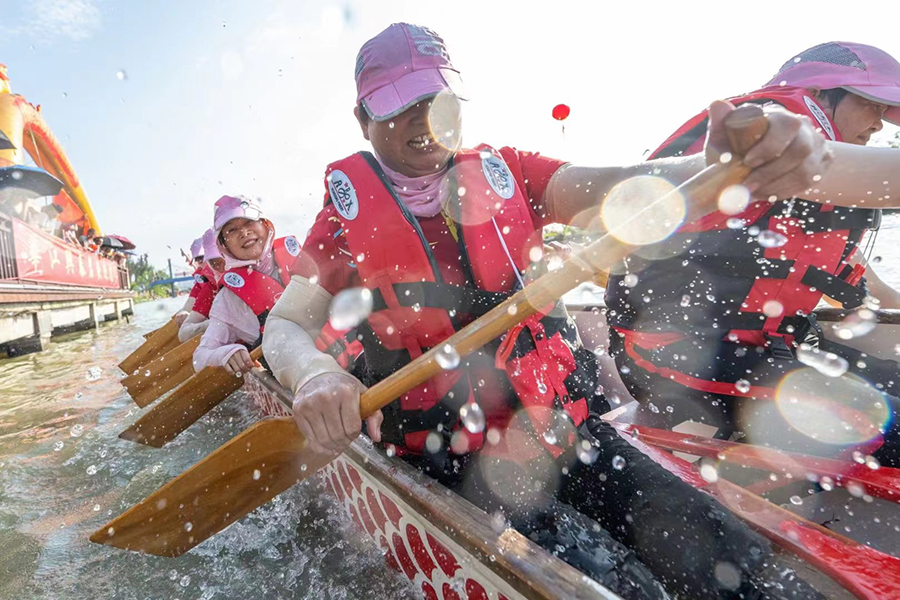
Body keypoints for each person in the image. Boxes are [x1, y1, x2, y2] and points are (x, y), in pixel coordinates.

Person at [261, 23, 834, 598]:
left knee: (720, 553)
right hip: (452, 458)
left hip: (561, 429)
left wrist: (719, 166)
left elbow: (624, 184)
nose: (422, 118)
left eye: (434, 100)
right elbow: (286, 324)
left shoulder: (509, 171)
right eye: (399, 106)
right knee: (613, 584)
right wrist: (315, 374)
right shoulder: (341, 221)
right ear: (363, 121)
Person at [605, 41, 900, 467]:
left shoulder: (821, 179)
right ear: (820, 93)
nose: (878, 125)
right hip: (680, 356)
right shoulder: (764, 138)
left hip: (776, 348)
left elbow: (857, 281)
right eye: (871, 105)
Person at [193, 196, 361, 377]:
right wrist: (225, 354)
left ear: (265, 226)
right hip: (306, 382)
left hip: (358, 358)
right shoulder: (228, 299)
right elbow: (200, 358)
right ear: (224, 245)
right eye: (232, 230)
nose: (243, 232)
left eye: (249, 222)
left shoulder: (305, 254)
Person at [177, 228, 221, 341]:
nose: (219, 264)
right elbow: (183, 333)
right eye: (199, 259)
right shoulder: (209, 287)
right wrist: (214, 323)